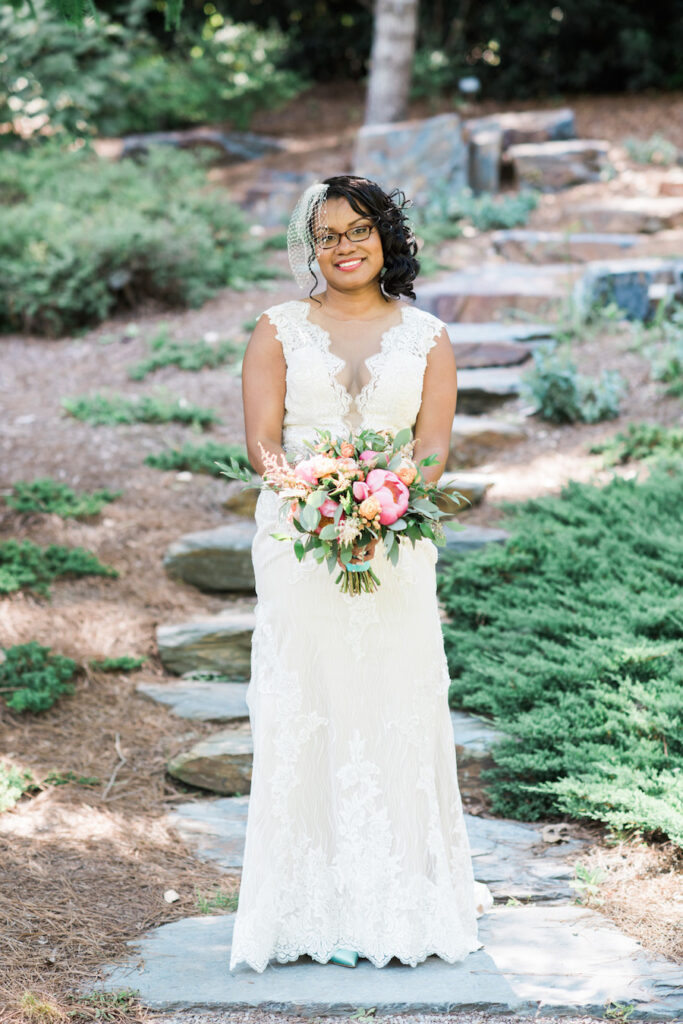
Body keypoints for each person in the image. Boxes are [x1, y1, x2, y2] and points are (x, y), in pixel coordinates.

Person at [228, 175, 493, 974]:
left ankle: (397, 898)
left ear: (385, 237)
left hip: (398, 542)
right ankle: (303, 902)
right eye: (326, 235)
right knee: (304, 702)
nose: (342, 248)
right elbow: (263, 443)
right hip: (296, 540)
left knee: (395, 704)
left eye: (357, 231)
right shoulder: (277, 330)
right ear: (308, 248)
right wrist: (314, 502)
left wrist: (386, 508)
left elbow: (434, 448)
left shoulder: (428, 337)